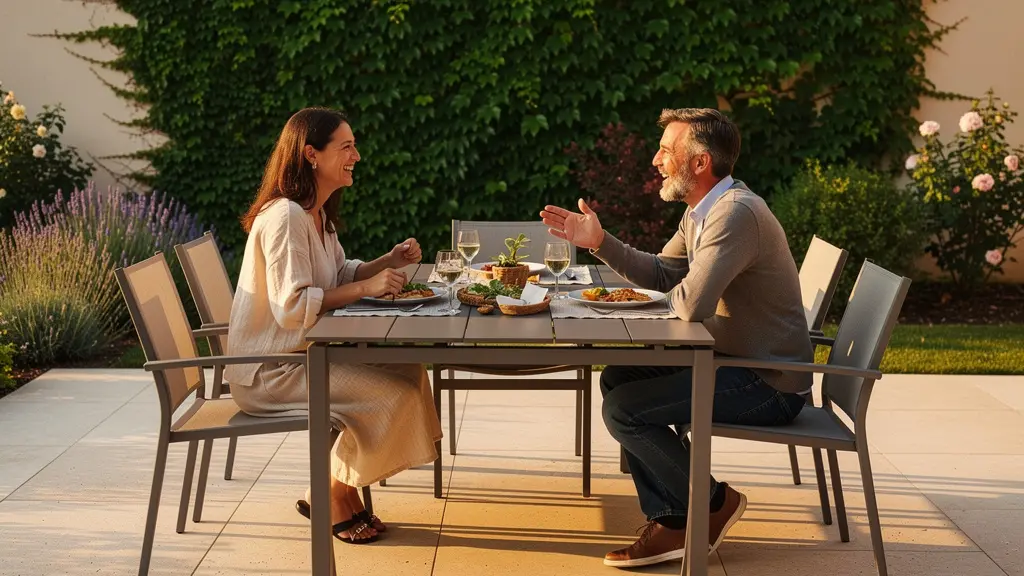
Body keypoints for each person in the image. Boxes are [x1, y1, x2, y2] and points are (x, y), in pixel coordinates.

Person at [540, 108, 813, 567]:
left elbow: (689, 304)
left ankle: (710, 502)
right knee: (618, 380)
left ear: (700, 162)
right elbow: (666, 273)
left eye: (667, 150)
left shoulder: (735, 214)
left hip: (768, 382)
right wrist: (599, 242)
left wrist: (631, 304)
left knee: (624, 409)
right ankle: (674, 517)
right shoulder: (702, 211)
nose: (656, 159)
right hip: (734, 359)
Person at [225, 107, 442, 544]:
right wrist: (368, 289)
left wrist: (388, 263)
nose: (356, 156)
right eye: (346, 147)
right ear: (310, 154)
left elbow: (340, 274)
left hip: (306, 357)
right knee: (391, 396)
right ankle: (329, 494)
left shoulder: (314, 214)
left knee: (409, 373)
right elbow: (293, 306)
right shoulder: (285, 217)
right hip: (270, 371)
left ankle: (330, 489)